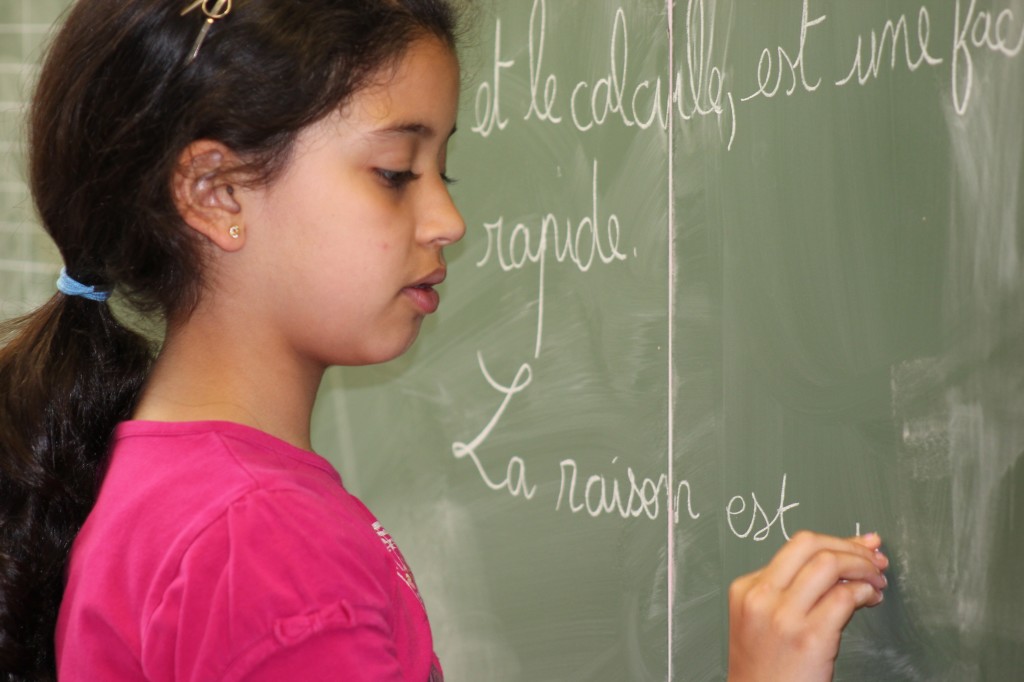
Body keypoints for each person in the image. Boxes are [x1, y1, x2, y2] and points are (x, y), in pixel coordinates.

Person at [0, 0, 887, 680]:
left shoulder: (159, 480)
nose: (449, 217)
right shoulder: (263, 550)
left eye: (442, 169)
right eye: (395, 174)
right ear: (217, 194)